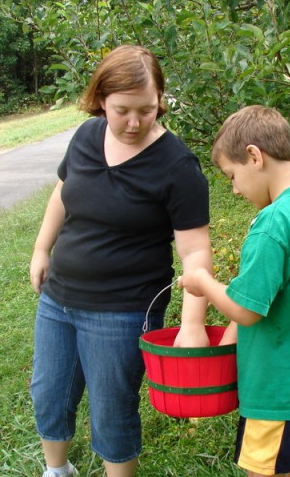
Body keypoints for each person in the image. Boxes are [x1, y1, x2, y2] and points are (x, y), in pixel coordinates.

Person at [28, 45, 213, 477]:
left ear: (160, 101)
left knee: (112, 409)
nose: (134, 122)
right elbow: (62, 193)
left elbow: (195, 252)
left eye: (146, 110)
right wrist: (41, 249)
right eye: (122, 110)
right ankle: (57, 470)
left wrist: (192, 324)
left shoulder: (177, 165)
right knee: (49, 393)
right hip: (59, 298)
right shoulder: (86, 136)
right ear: (101, 100)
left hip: (123, 309)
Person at [178, 105, 290, 477]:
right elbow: (271, 297)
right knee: (283, 466)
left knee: (263, 471)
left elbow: (246, 310)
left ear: (254, 156)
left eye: (232, 176)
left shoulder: (273, 223)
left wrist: (203, 282)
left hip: (277, 385)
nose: (235, 189)